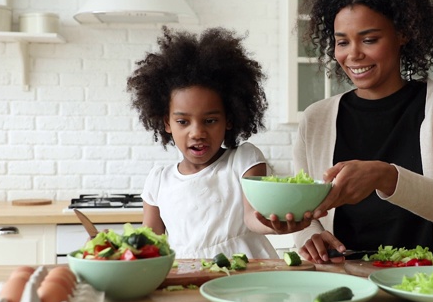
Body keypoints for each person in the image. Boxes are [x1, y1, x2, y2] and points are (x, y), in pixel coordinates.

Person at [290, 0, 433, 263]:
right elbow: (304, 208)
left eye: (369, 39)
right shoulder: (316, 119)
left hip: (425, 277)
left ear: (402, 34)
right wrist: (308, 234)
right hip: (342, 278)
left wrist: (384, 176)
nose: (353, 54)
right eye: (342, 41)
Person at [126, 27, 306, 259]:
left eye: (210, 120)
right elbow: (150, 242)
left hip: (247, 274)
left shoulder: (244, 160)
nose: (197, 132)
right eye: (183, 121)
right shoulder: (158, 180)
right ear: (167, 123)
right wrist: (120, 248)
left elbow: (252, 218)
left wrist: (275, 224)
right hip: (187, 277)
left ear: (229, 120)